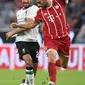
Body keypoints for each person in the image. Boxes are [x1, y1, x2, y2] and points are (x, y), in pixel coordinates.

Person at [6, 0, 70, 85]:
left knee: (64, 64)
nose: (38, 5)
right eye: (37, 3)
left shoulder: (59, 2)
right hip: (50, 38)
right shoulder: (40, 12)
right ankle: (52, 82)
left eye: (40, 2)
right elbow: (31, 25)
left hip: (64, 38)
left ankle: (52, 64)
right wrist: (18, 25)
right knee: (51, 56)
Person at [6, 0, 40, 85]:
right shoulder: (19, 12)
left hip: (33, 40)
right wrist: (16, 29)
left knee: (34, 65)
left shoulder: (35, 9)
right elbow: (24, 27)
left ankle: (26, 82)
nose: (25, 1)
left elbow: (29, 25)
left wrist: (12, 32)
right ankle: (31, 84)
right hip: (21, 40)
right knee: (28, 61)